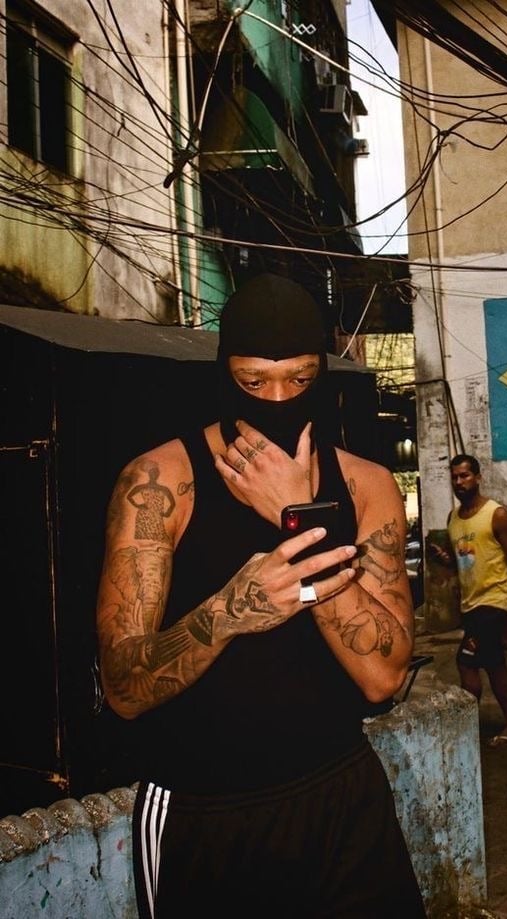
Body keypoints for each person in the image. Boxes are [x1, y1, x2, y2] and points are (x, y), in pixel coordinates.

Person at [96, 273, 426, 918]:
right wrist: (226, 613)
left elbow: (383, 677)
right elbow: (123, 688)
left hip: (342, 793)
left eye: (300, 379)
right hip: (206, 811)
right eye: (253, 382)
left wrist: (295, 516)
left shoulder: (367, 486)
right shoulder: (159, 483)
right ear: (225, 371)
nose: (279, 398)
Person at [430, 454, 507, 749]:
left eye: (464, 475)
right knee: (494, 663)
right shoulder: (453, 518)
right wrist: (446, 558)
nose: (459, 482)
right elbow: (466, 559)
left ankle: (465, 730)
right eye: (454, 477)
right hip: (471, 604)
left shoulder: (496, 515)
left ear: (477, 477)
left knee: (466, 662)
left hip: (495, 600)